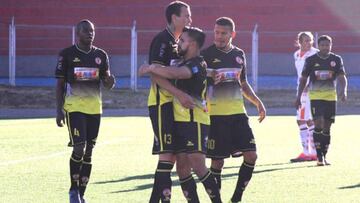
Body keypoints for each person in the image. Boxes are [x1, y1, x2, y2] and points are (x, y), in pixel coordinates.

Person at [140, 26, 222, 203]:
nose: (179, 43)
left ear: (192, 44)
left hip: (195, 120)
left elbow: (178, 74)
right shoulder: (185, 61)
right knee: (183, 169)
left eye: (183, 41)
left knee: (198, 166)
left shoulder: (197, 63)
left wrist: (151, 67)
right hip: (180, 120)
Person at [201, 17, 266, 203]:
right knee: (217, 162)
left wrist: (257, 102)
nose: (219, 36)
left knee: (252, 156)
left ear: (232, 34)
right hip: (215, 116)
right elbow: (197, 83)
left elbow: (243, 83)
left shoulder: (239, 54)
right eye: (216, 32)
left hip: (238, 115)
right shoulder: (205, 55)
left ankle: (236, 198)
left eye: (223, 33)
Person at [55, 19, 115, 203]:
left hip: (95, 109)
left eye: (93, 31)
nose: (91, 33)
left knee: (89, 151)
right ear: (78, 33)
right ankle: (73, 190)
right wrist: (59, 110)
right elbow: (60, 84)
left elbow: (106, 82)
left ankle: (82, 193)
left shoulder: (101, 55)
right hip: (74, 108)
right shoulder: (67, 55)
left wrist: (110, 82)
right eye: (87, 31)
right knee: (79, 147)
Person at [145, 1, 197, 202]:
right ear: (174, 17)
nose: (190, 20)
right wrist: (180, 94)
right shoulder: (162, 41)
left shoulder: (182, 41)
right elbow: (155, 75)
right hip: (162, 105)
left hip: (179, 107)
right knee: (167, 157)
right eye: (186, 15)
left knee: (183, 159)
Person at [296, 35, 347, 166]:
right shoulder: (311, 60)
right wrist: (298, 97)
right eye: (323, 45)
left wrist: (344, 91)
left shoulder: (336, 59)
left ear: (331, 45)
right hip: (316, 97)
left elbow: (342, 77)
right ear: (318, 46)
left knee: (327, 127)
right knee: (318, 123)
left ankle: (324, 154)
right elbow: (303, 79)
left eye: (327, 45)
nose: (325, 47)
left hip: (330, 97)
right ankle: (318, 156)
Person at [290, 32, 318, 162]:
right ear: (299, 41)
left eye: (311, 40)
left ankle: (310, 152)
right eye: (306, 40)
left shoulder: (315, 53)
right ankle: (309, 152)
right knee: (304, 120)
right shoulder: (296, 55)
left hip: (311, 91)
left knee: (306, 120)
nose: (309, 43)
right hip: (300, 91)